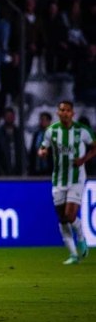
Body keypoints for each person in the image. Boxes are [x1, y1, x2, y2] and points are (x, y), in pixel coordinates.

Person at [38, 101, 96, 265]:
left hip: (76, 178)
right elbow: (43, 147)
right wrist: (42, 152)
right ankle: (73, 254)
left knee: (70, 215)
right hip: (58, 180)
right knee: (62, 218)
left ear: (72, 113)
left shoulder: (82, 131)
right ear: (58, 112)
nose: (64, 113)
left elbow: (94, 147)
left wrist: (83, 159)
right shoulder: (52, 131)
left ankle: (81, 236)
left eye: (67, 110)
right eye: (62, 110)